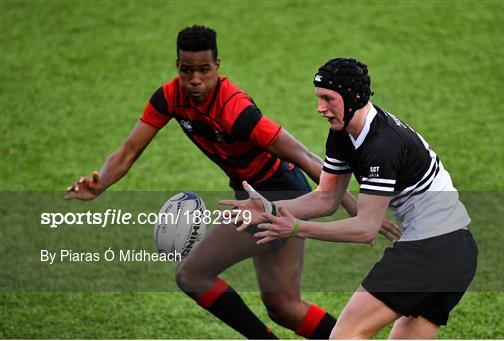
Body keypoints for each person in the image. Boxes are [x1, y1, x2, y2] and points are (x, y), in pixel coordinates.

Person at [65, 27, 401, 339]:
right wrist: (101, 183)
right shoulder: (169, 97)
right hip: (254, 192)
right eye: (186, 70)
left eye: (204, 70)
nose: (194, 79)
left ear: (217, 66)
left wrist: (355, 206)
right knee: (284, 307)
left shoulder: (234, 110)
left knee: (192, 275)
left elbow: (305, 157)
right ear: (178, 66)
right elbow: (127, 151)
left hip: (277, 193)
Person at [221, 58, 478, 339]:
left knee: (345, 335)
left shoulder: (382, 145)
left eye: (329, 99)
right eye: (319, 98)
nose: (321, 108)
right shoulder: (343, 134)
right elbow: (326, 197)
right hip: (457, 253)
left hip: (431, 250)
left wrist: (296, 227)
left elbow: (365, 229)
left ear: (353, 97)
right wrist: (269, 208)